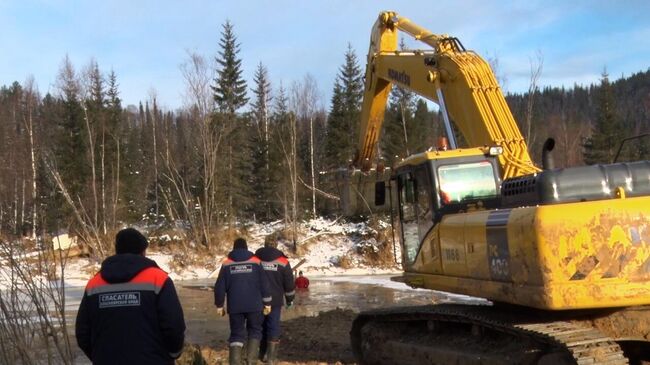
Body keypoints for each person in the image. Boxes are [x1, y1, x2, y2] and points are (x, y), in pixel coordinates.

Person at [75, 228, 186, 365]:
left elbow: (82, 332)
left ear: (117, 250)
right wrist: (173, 353)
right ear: (142, 251)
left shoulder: (94, 284)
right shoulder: (158, 279)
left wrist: (100, 355)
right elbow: (173, 324)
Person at [215, 238, 272, 365]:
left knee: (236, 334)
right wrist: (267, 303)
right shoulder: (256, 262)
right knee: (255, 331)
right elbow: (264, 284)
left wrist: (219, 305)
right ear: (246, 248)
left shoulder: (226, 264)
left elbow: (219, 287)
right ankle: (251, 362)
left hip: (235, 307)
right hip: (255, 306)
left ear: (233, 248)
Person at [255, 236, 295, 364]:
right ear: (276, 245)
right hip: (275, 300)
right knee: (273, 326)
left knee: (258, 326)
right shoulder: (283, 261)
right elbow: (289, 283)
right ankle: (271, 358)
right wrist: (289, 299)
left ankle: (259, 354)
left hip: (257, 299)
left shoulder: (255, 259)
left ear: (265, 244)